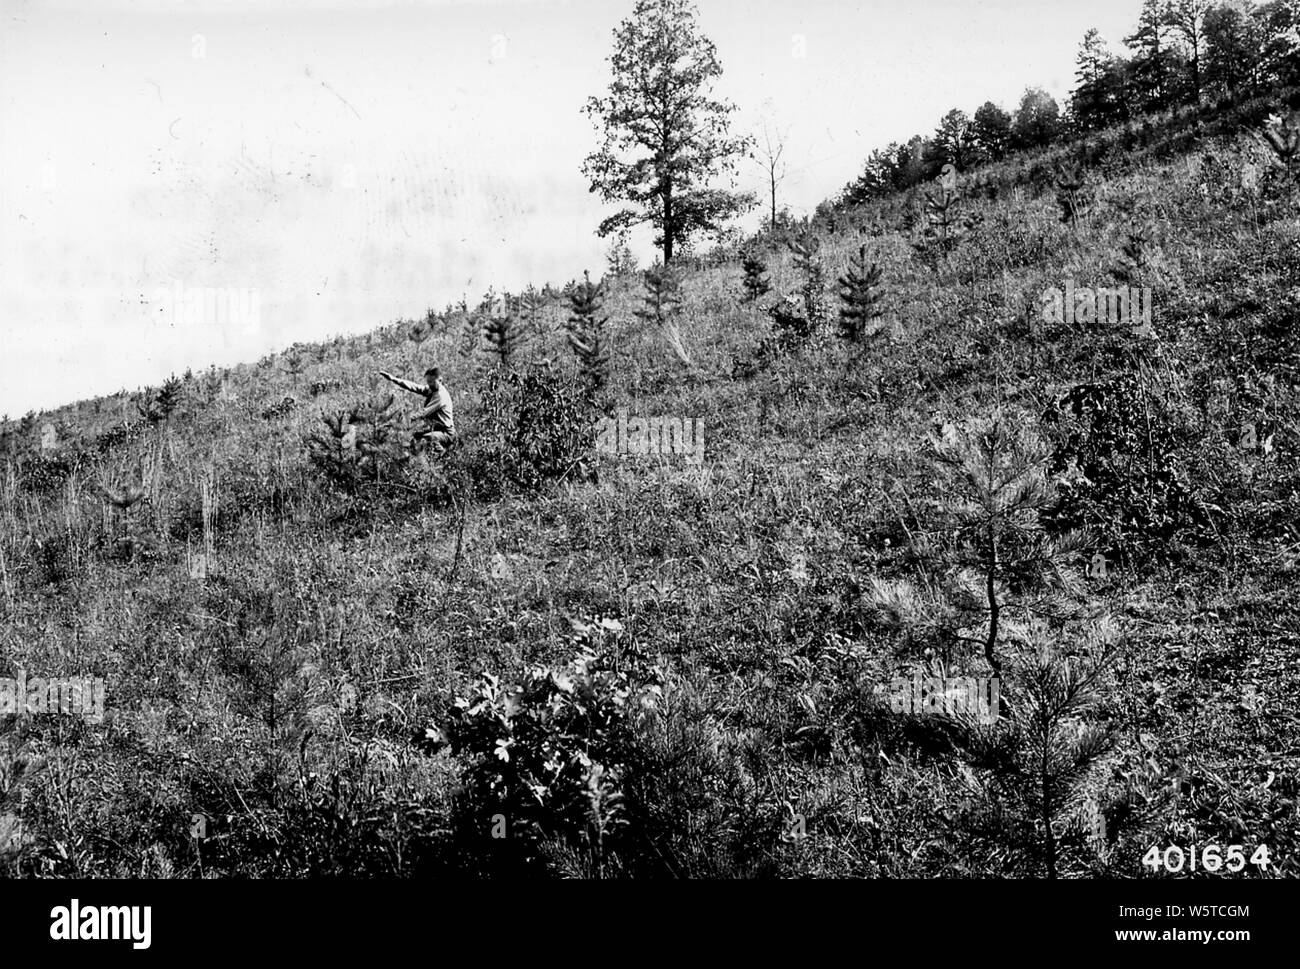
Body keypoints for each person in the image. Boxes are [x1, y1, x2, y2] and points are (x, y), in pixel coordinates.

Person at [377, 366, 456, 454]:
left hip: (446, 433)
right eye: (428, 382)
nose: (429, 385)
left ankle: (443, 456)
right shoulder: (432, 389)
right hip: (436, 428)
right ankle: (417, 457)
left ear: (440, 380)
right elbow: (414, 387)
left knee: (428, 438)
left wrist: (407, 419)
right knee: (415, 437)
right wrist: (393, 379)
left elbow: (424, 413)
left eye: (432, 382)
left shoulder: (441, 396)